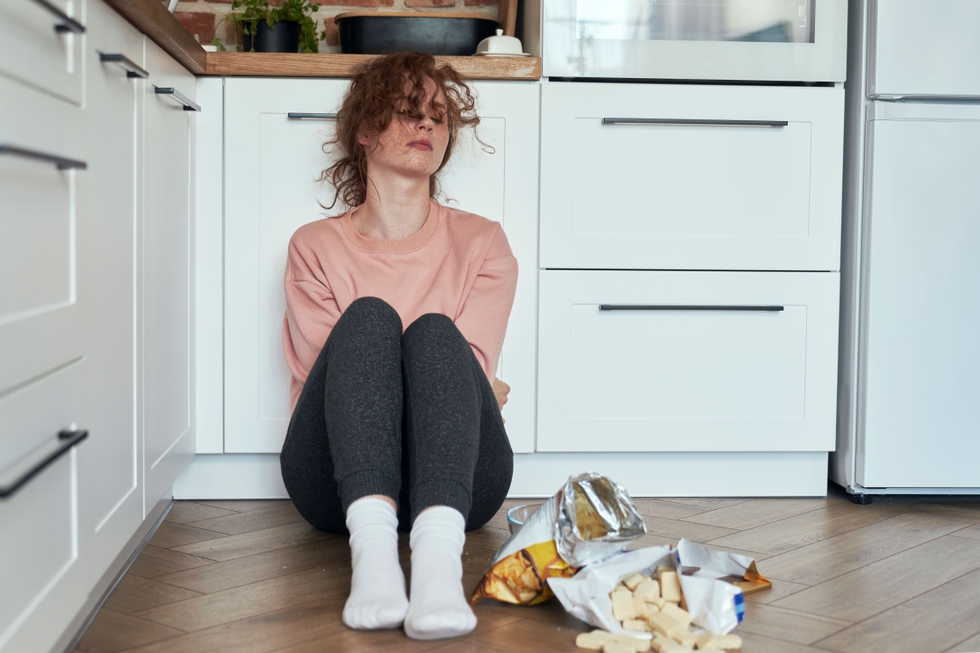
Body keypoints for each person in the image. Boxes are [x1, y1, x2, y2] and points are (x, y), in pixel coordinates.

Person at [278, 52, 518, 641]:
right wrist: (477, 387)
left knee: (434, 332)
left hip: (463, 485)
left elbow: (469, 372)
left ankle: (438, 565)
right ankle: (374, 558)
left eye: (437, 114)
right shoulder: (314, 247)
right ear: (364, 130)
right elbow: (337, 394)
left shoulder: (484, 243)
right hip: (333, 485)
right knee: (369, 319)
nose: (427, 125)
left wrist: (467, 379)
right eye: (407, 111)